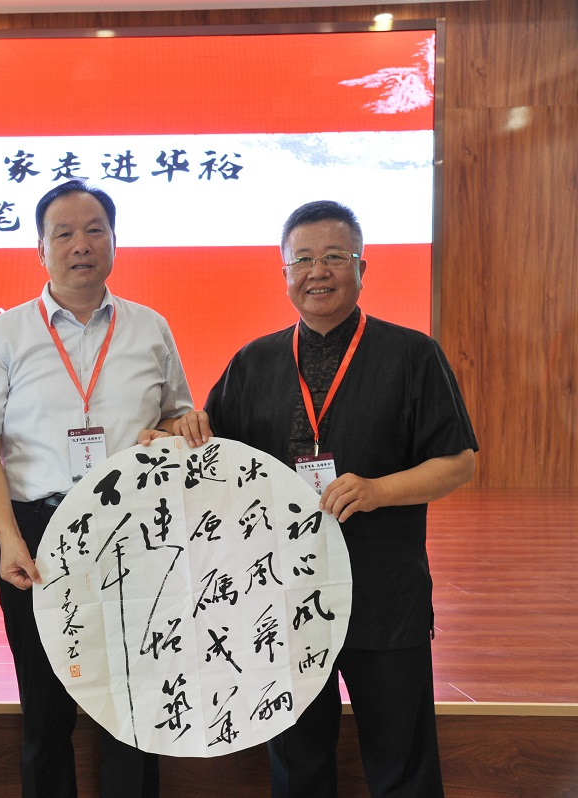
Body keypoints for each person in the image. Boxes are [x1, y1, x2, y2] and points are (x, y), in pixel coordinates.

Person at [173, 200, 477, 798]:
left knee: (402, 761)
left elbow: (458, 462)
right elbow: (213, 458)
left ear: (362, 267)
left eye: (335, 256)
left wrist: (378, 490)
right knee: (297, 764)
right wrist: (172, 435)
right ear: (284, 272)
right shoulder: (253, 362)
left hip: (383, 593)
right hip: (280, 595)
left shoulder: (412, 355)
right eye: (303, 259)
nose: (318, 271)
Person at [0, 179, 194, 798]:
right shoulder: (3, 335)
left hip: (136, 532)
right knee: (45, 709)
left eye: (94, 230)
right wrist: (9, 537)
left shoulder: (150, 328)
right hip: (36, 535)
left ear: (115, 241)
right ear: (40, 249)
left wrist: (178, 429)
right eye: (63, 233)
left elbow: (178, 417)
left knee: (136, 705)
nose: (80, 245)